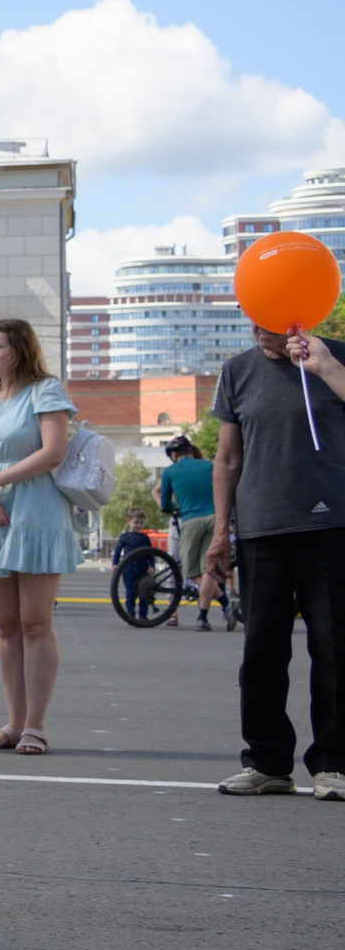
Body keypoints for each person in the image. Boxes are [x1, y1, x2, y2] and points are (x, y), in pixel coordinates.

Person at [206, 324, 345, 799]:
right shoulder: (238, 371)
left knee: (333, 649)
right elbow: (226, 460)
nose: (260, 332)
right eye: (253, 320)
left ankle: (333, 764)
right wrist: (220, 532)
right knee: (262, 651)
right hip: (262, 529)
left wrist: (325, 367)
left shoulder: (335, 358)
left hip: (331, 524)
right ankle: (267, 762)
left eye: (270, 323)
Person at [0, 318, 75, 755]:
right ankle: (13, 722)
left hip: (38, 511)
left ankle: (35, 727)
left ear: (20, 348)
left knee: (35, 623)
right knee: (5, 626)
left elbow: (53, 451)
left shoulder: (46, 391)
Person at [157, 435, 228, 629]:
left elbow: (164, 504)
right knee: (208, 568)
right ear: (191, 450)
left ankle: (224, 604)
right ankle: (204, 617)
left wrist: (173, 507)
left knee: (189, 571)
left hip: (190, 521)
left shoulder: (170, 471)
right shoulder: (208, 466)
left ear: (173, 454)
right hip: (214, 519)